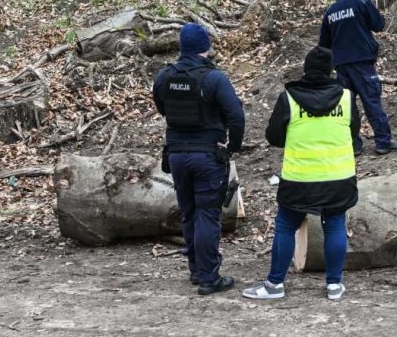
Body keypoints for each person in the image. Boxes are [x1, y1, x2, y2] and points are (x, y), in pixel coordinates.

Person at [243, 47, 359, 301]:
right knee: (335, 225)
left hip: (300, 179)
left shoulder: (289, 97)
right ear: (330, 71)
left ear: (305, 69)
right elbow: (353, 133)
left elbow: (273, 137)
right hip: (339, 178)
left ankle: (274, 285)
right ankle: (334, 285)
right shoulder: (347, 97)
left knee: (286, 227)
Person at [152, 23, 245, 295]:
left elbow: (162, 109)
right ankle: (208, 277)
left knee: (189, 213)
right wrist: (232, 147)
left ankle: (196, 269)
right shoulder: (214, 78)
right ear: (206, 47)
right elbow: (236, 116)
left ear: (182, 47)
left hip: (177, 155)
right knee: (207, 214)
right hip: (207, 155)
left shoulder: (163, 77)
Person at [319, 0, 397, 156]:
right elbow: (379, 25)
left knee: (347, 106)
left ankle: (354, 144)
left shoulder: (330, 11)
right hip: (362, 63)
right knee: (372, 101)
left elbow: (323, 44)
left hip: (340, 65)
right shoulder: (361, 2)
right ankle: (383, 142)